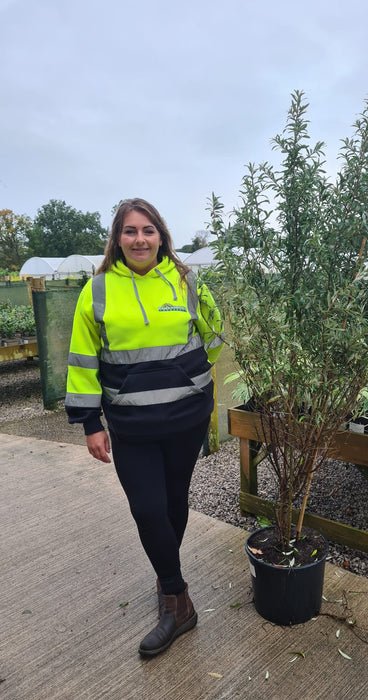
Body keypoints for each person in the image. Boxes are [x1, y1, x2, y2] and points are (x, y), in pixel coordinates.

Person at [65, 198, 224, 657]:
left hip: (185, 418)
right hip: (130, 423)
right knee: (149, 509)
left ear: (162, 237)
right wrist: (90, 422)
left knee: (175, 502)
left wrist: (193, 380)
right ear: (117, 239)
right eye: (130, 231)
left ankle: (166, 576)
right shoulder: (96, 291)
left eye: (148, 230)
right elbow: (82, 360)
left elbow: (213, 333)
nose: (140, 239)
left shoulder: (186, 280)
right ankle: (177, 600)